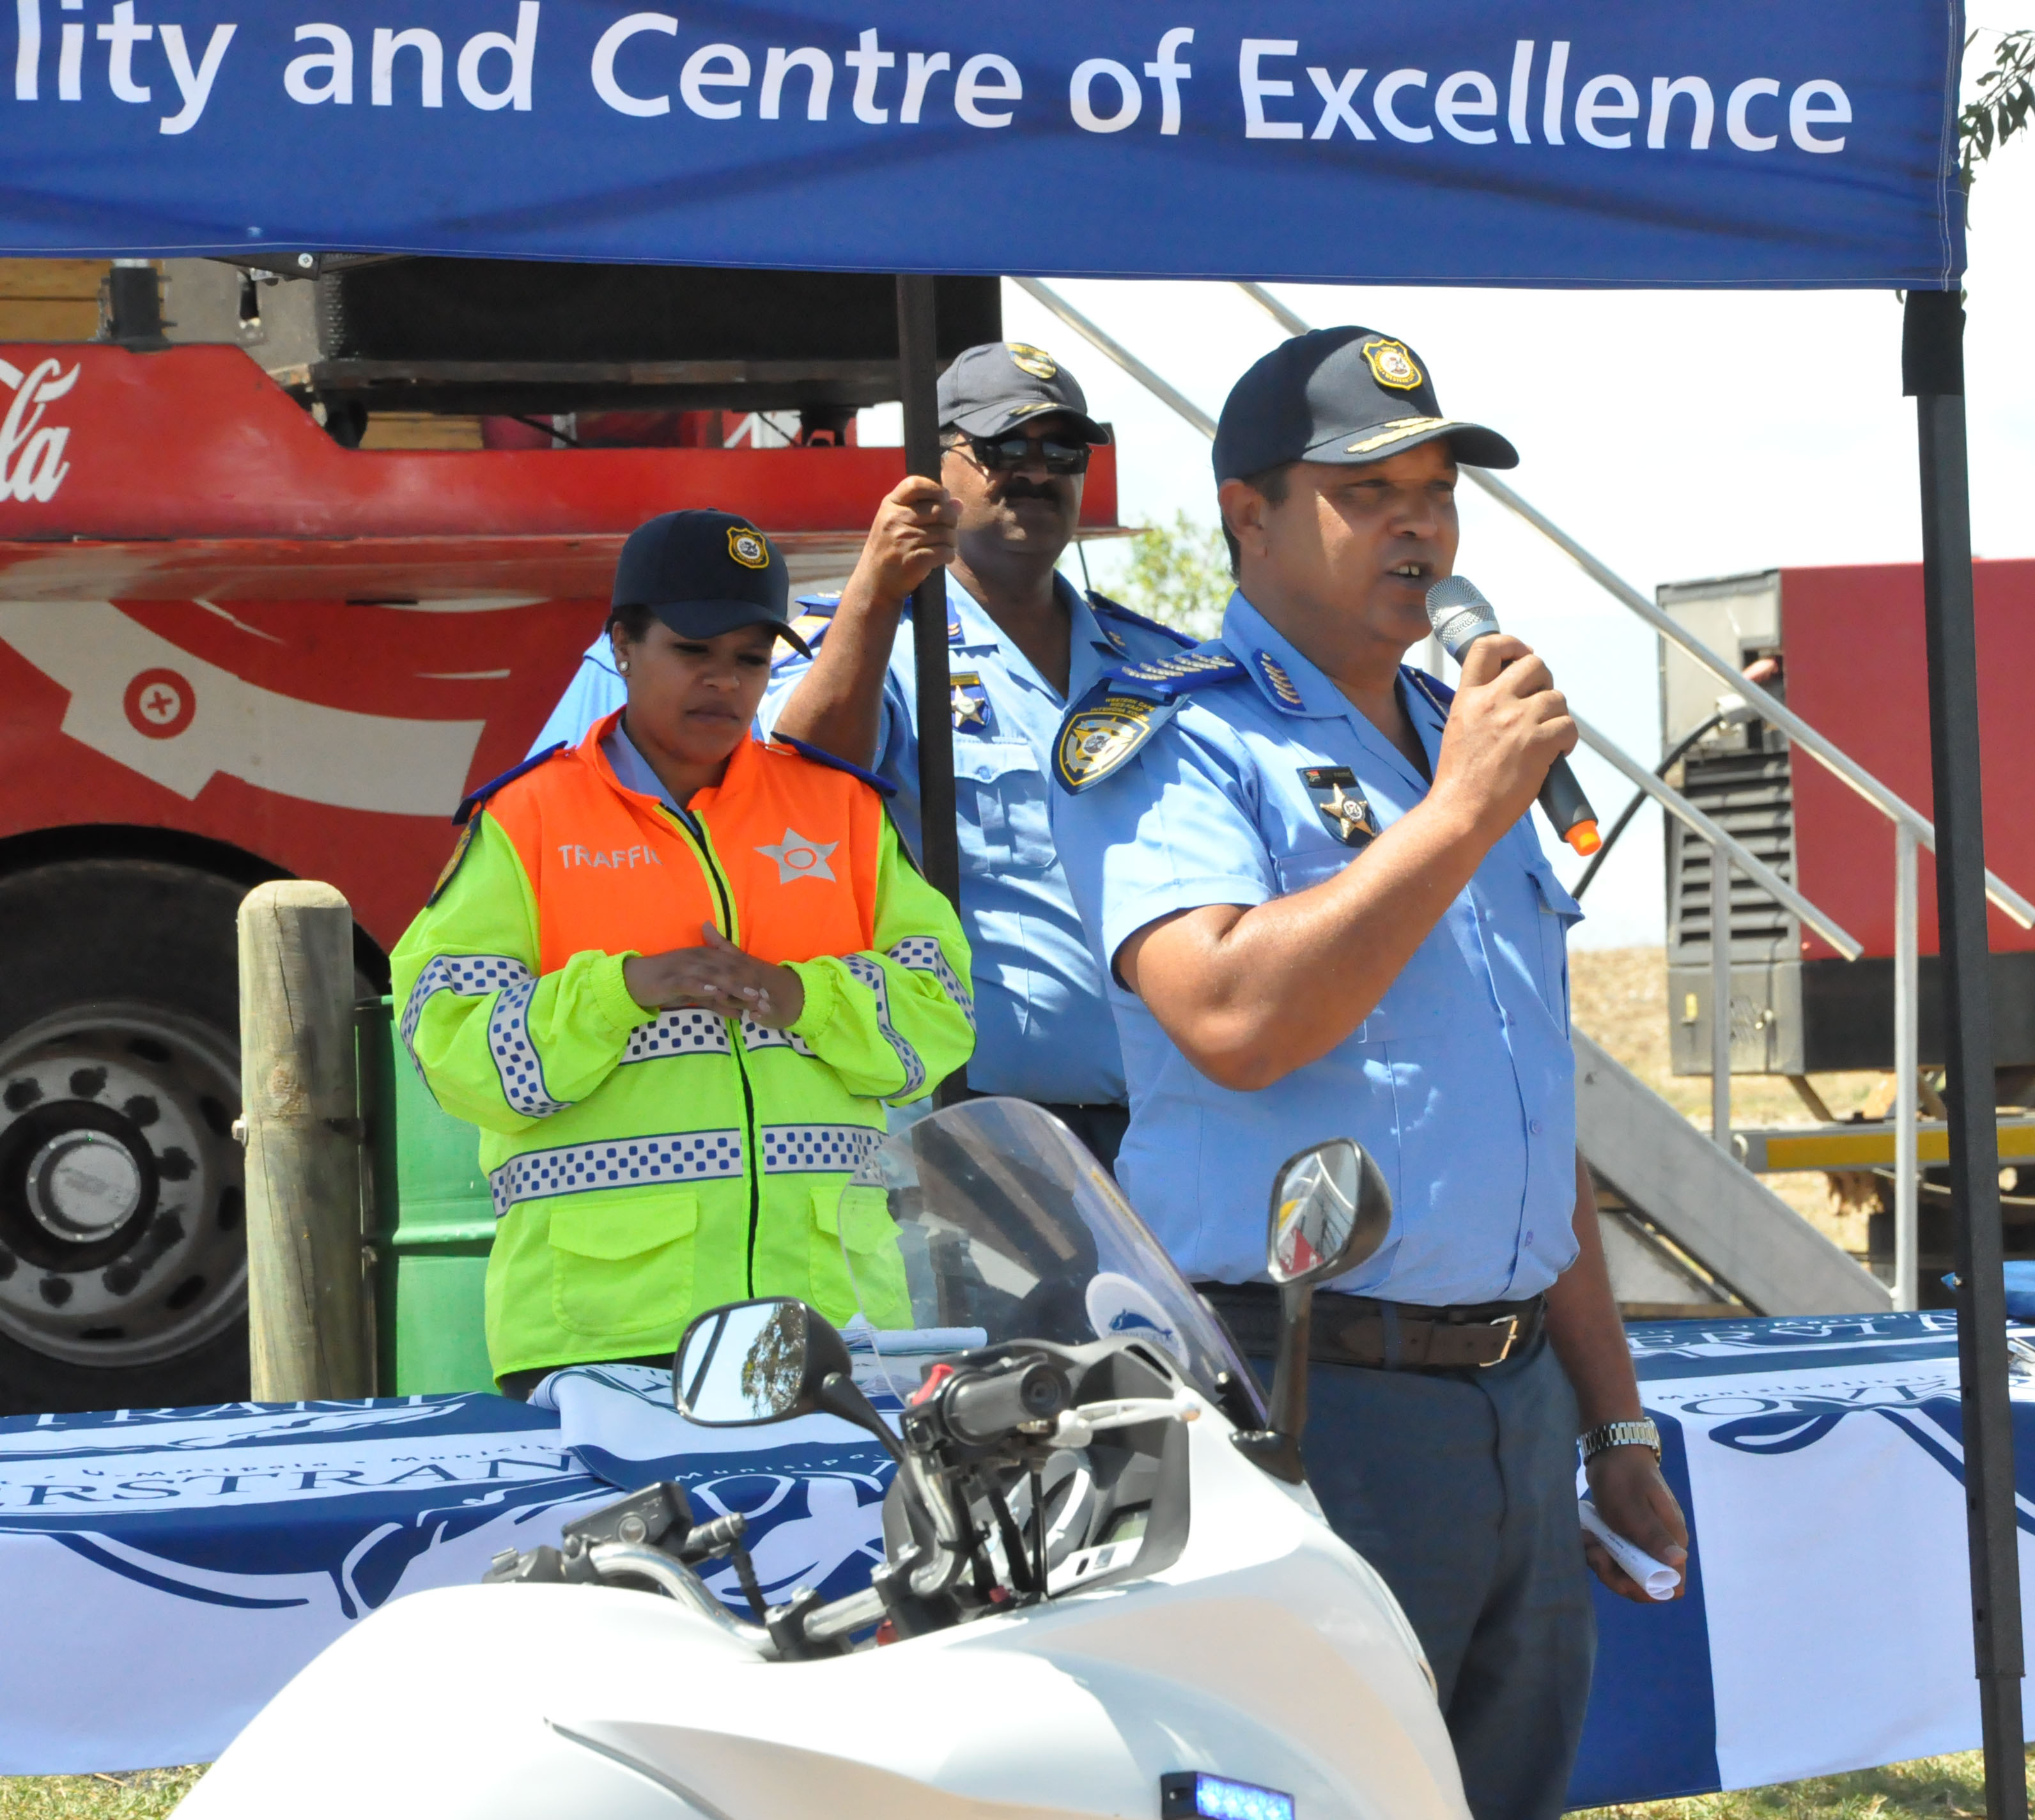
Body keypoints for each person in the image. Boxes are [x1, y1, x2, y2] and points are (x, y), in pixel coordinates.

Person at [1048, 328, 1687, 1820]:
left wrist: (1611, 1421)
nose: (1418, 523)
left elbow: (1530, 1121)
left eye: (1433, 490)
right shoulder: (1174, 734)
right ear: (1247, 514)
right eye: (1364, 491)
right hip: (1309, 1397)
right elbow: (1224, 1016)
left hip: (1515, 1399)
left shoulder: (1458, 744)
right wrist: (1459, 810)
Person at [393, 509, 975, 1398]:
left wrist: (799, 998)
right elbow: (450, 1049)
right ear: (622, 646)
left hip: (825, 1319)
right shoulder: (527, 820)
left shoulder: (840, 811)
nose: (724, 682)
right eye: (694, 650)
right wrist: (620, 991)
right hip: (602, 1331)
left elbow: (941, 1016)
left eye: (750, 659)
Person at [752, 341, 1193, 1168]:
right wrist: (876, 596)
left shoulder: (1158, 665)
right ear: (932, 467)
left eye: (1062, 448)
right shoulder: (876, 639)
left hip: (1168, 1131)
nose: (1035, 470)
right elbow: (799, 781)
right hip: (976, 1137)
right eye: (1001, 447)